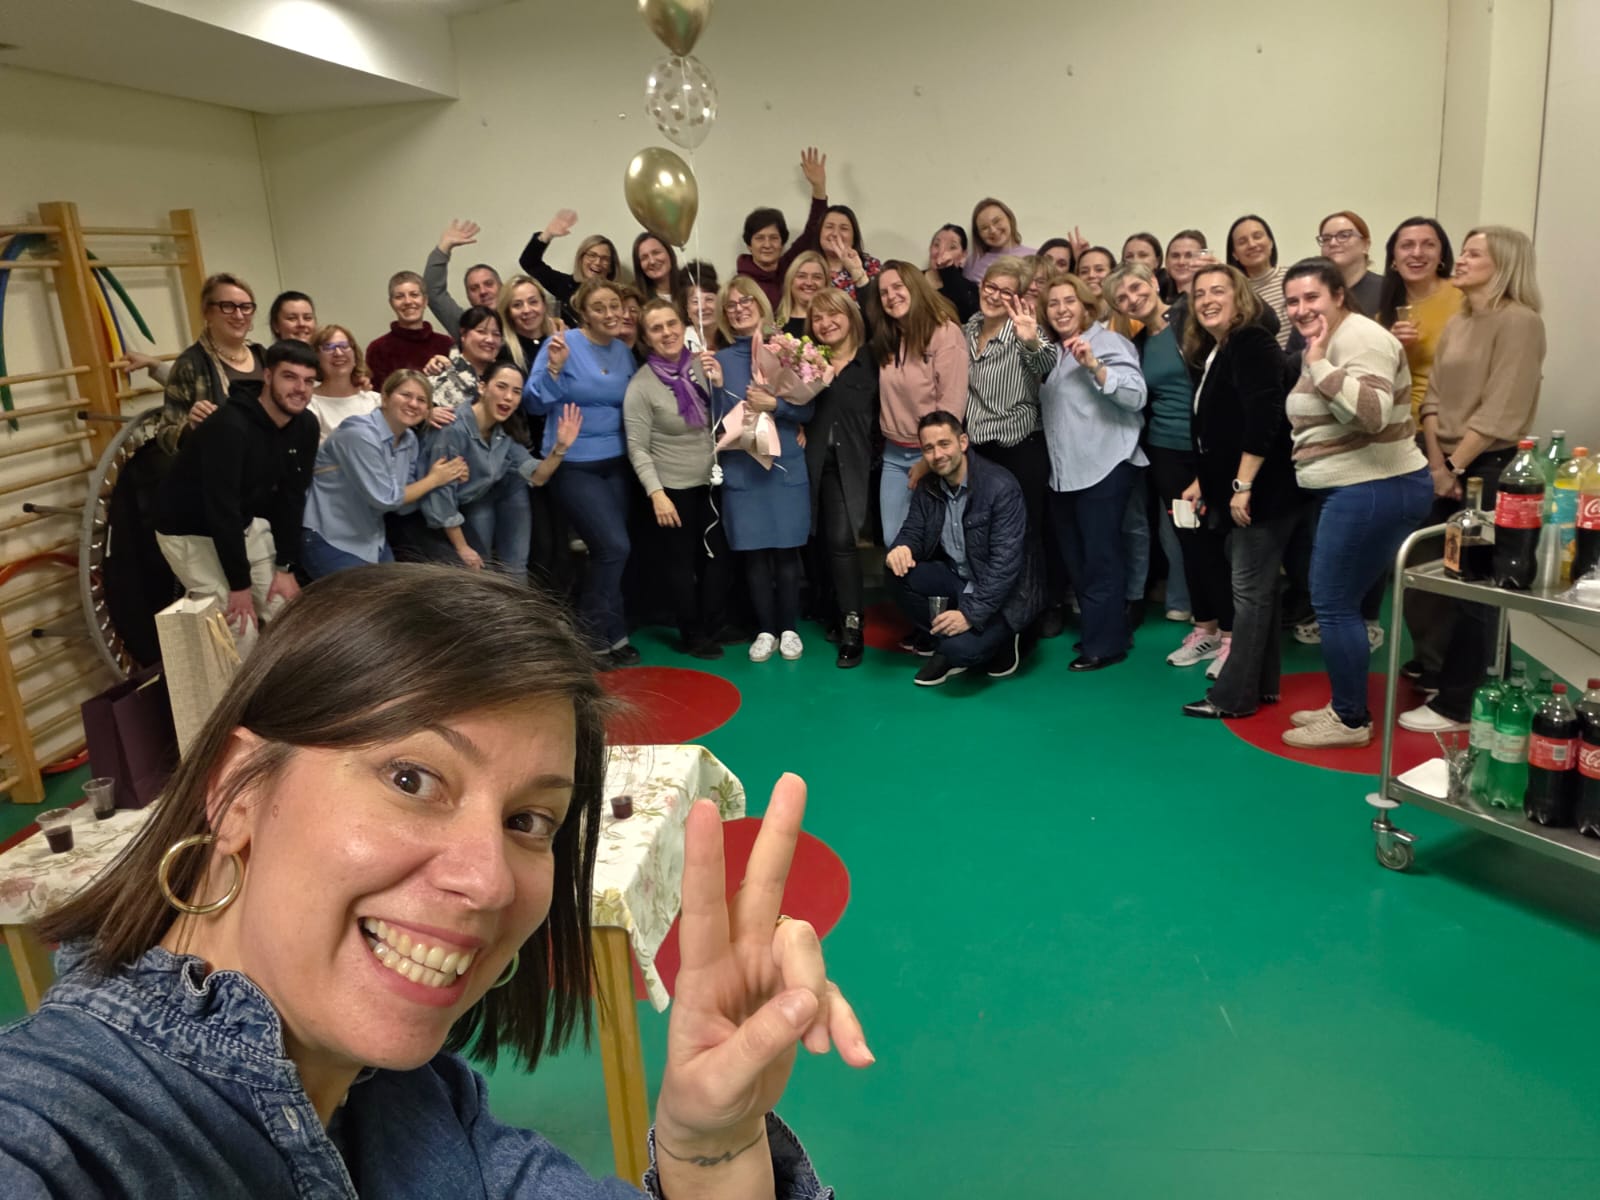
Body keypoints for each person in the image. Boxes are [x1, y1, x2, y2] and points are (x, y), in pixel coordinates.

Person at [0, 564, 864, 1197]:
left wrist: (712, 1151)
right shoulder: (58, 1137)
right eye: (411, 779)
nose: (489, 883)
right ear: (237, 791)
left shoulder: (416, 1107)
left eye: (529, 821)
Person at [1279, 257, 1431, 748]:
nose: (1301, 308)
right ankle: (1345, 705)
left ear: (1339, 295)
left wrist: (1320, 364)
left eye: (1312, 297)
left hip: (1374, 485)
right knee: (1337, 602)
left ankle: (1349, 721)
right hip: (1358, 487)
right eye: (1293, 301)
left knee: (1333, 603)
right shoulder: (1328, 339)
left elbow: (1372, 412)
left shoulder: (1361, 339)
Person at [1401, 226, 1545, 733]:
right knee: (1426, 574)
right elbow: (1433, 398)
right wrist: (1438, 465)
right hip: (1442, 461)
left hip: (1489, 466)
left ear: (1504, 264)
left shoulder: (1520, 322)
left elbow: (1501, 409)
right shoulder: (1461, 320)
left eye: (1472, 253)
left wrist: (1456, 467)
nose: (1458, 260)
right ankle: (1442, 671)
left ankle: (1461, 704)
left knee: (1475, 588)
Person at [1178, 264, 1299, 719]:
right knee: (1259, 591)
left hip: (1263, 491)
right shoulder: (1219, 348)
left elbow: (1264, 416)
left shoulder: (1251, 341)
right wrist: (1204, 481)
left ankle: (1233, 697)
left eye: (1218, 291)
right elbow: (1219, 429)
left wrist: (1242, 485)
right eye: (1199, 294)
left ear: (1240, 297)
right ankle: (1261, 685)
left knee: (1248, 593)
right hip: (1242, 487)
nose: (1207, 300)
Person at [153, 340, 320, 641]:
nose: (300, 389)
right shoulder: (230, 426)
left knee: (286, 614)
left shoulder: (305, 425)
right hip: (189, 530)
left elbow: (292, 497)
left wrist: (285, 566)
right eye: (290, 377)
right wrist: (239, 586)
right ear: (267, 376)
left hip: (242, 523)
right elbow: (221, 508)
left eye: (309, 381)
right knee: (240, 629)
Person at [1029, 275, 1148, 670]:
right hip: (1066, 473)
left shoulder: (1108, 342)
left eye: (1069, 301)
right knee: (1078, 558)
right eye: (1053, 303)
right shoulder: (1054, 352)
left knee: (1100, 558)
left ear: (1085, 305)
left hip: (1104, 466)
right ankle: (1106, 630)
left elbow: (1136, 396)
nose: (1061, 309)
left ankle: (1105, 645)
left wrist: (1095, 366)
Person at [526, 280, 640, 667]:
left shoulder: (623, 351)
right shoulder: (561, 344)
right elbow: (534, 403)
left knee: (612, 552)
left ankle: (616, 634)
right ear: (584, 314)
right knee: (614, 548)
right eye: (599, 308)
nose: (610, 314)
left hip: (617, 462)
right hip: (573, 464)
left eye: (614, 306)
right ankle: (589, 638)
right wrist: (554, 369)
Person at [1108, 264, 1217, 664]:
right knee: (1188, 540)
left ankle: (1230, 632)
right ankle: (1205, 628)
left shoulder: (1190, 319)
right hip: (1165, 452)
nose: (1132, 299)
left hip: (1206, 448)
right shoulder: (1136, 343)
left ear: (1154, 283)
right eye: (1122, 298)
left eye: (1137, 287)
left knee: (1216, 540)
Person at [885, 410, 1039, 686]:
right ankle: (950, 632)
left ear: (963, 442)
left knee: (958, 651)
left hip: (1004, 596)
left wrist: (970, 615)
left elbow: (1004, 567)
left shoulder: (1000, 486)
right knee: (896, 571)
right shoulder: (929, 486)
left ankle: (1008, 636)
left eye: (944, 444)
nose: (937, 455)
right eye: (929, 448)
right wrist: (902, 548)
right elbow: (913, 530)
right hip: (960, 580)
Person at [714, 278, 814, 663]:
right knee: (754, 555)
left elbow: (808, 408)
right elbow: (711, 420)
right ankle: (765, 630)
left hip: (785, 465)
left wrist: (776, 405)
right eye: (731, 305)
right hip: (743, 466)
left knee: (787, 553)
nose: (739, 308)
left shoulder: (787, 350)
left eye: (746, 301)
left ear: (760, 304)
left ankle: (788, 628)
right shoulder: (719, 360)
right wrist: (717, 386)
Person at [624, 299, 729, 660]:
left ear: (683, 326)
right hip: (673, 488)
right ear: (646, 338)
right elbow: (638, 447)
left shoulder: (704, 365)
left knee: (716, 558)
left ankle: (715, 623)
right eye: (656, 328)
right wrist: (656, 493)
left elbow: (726, 415)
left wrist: (720, 383)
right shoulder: (640, 386)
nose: (667, 333)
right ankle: (692, 634)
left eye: (671, 324)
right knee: (682, 566)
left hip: (712, 480)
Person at [408, 363, 580, 577]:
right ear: (482, 387)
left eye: (516, 392)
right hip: (430, 517)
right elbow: (440, 499)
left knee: (515, 566)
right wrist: (462, 547)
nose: (508, 397)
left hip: (482, 497)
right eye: (501, 387)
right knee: (478, 569)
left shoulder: (502, 430)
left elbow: (537, 477)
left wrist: (560, 448)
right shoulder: (451, 429)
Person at [300, 370, 468, 579]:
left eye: (421, 400)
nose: (413, 404)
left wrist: (452, 475)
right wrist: (435, 479)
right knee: (368, 600)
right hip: (329, 538)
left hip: (372, 541)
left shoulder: (409, 440)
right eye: (406, 395)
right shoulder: (358, 433)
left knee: (401, 594)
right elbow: (386, 499)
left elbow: (405, 505)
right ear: (385, 398)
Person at [961, 258, 1053, 597]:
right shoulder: (967, 329)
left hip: (1019, 448)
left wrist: (1031, 340)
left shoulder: (1023, 330)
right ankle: (991, 608)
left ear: (1017, 298)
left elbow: (1046, 361)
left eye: (1005, 291)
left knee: (1024, 534)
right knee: (985, 535)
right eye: (991, 286)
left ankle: (1033, 609)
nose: (994, 295)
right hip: (978, 452)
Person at [867, 261, 969, 545]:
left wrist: (929, 458)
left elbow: (951, 404)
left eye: (898, 287)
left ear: (915, 287)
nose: (891, 296)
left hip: (935, 454)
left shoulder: (945, 333)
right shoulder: (887, 337)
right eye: (884, 292)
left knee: (941, 542)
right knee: (894, 541)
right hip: (894, 455)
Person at [803, 288, 879, 668]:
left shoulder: (873, 360)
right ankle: (833, 611)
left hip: (862, 465)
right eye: (817, 318)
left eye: (833, 314)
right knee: (819, 541)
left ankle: (853, 626)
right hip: (815, 464)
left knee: (841, 541)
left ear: (851, 316)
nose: (825, 323)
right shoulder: (806, 362)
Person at [156, 272, 267, 451]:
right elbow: (165, 436)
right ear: (207, 312)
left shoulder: (263, 355)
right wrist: (191, 427)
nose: (239, 315)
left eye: (246, 307)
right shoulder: (190, 364)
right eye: (227, 306)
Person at [1375, 217, 1461, 424]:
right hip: (1401, 425)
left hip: (1453, 422)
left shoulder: (1463, 296)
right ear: (1393, 258)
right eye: (1407, 245)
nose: (1417, 253)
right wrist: (1393, 347)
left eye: (1428, 245)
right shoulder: (1383, 317)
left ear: (1441, 255)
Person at [736, 147, 830, 308]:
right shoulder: (741, 285)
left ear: (782, 243)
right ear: (749, 245)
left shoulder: (790, 267)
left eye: (773, 238)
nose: (767, 245)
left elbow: (813, 230)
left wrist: (819, 187)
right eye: (760, 238)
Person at [521, 209, 623, 326]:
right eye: (592, 255)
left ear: (611, 267)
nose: (597, 262)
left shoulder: (619, 295)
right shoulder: (564, 285)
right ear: (581, 258)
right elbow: (529, 263)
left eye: (605, 259)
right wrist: (547, 235)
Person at [365, 271, 455, 392]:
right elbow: (377, 397)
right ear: (391, 303)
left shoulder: (446, 344)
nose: (408, 301)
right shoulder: (378, 349)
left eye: (414, 295)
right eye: (399, 297)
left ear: (425, 301)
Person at [424, 218, 502, 336]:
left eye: (489, 284)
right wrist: (444, 247)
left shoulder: (522, 316)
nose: (483, 291)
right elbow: (433, 293)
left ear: (502, 287)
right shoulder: (466, 326)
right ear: (468, 297)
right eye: (474, 288)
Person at [1226, 214, 1290, 349]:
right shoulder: (1234, 294)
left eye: (1257, 236)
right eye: (1242, 242)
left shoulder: (1293, 277)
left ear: (1271, 242)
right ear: (1234, 254)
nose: (1252, 244)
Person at [307, 324, 380, 442]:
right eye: (328, 347)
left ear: (355, 354)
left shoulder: (375, 401)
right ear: (316, 357)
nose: (338, 353)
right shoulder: (309, 404)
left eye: (344, 346)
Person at [964, 198, 1035, 284]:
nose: (993, 230)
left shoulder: (1035, 256)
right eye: (984, 228)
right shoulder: (973, 263)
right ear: (979, 234)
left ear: (1009, 218)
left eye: (997, 221)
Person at [815, 205, 881, 297]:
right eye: (829, 227)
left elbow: (876, 304)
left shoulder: (871, 266)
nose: (835, 233)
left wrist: (857, 272)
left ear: (854, 237)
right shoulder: (806, 267)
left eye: (844, 228)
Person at [924, 224, 978, 322]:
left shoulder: (970, 290)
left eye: (952, 247)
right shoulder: (913, 278)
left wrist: (948, 272)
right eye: (937, 245)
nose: (941, 252)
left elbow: (969, 318)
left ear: (963, 256)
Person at [774, 252, 830, 337]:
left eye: (817, 277)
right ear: (790, 281)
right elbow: (763, 333)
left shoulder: (833, 324)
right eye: (801, 276)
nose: (809, 283)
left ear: (826, 283)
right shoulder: (775, 323)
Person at [631, 233, 684, 302]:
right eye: (644, 257)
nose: (652, 261)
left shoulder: (690, 285)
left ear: (669, 253)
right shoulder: (635, 297)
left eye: (656, 253)